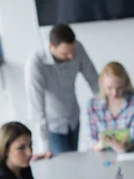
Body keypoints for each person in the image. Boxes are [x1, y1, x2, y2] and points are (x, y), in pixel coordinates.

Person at [25, 23, 98, 156]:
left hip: (73, 118)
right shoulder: (36, 64)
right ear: (51, 47)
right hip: (53, 126)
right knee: (65, 166)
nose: (71, 56)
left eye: (72, 52)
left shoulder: (77, 49)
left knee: (74, 161)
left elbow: (93, 79)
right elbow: (37, 109)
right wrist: (44, 147)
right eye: (65, 53)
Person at [87, 61, 134, 153]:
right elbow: (91, 140)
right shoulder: (93, 104)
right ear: (102, 84)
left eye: (119, 88)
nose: (114, 93)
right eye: (109, 88)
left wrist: (124, 148)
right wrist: (100, 145)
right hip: (102, 154)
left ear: (126, 83)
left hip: (132, 153)